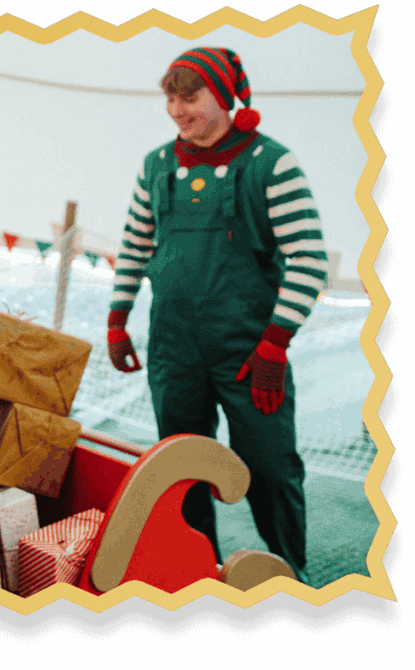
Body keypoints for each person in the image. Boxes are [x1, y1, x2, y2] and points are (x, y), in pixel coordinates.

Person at [106, 47, 329, 584]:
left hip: (249, 350)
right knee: (179, 468)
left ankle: (290, 575)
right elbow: (135, 246)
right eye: (171, 97)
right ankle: (194, 573)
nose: (178, 110)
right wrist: (118, 317)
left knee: (272, 469)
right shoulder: (156, 166)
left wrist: (275, 342)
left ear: (224, 97)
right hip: (173, 347)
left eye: (190, 96)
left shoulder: (270, 163)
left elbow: (310, 258)